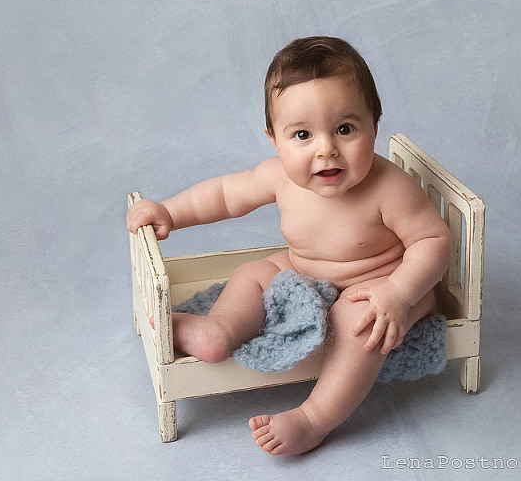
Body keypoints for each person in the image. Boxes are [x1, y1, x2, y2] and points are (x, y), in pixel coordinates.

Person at [126, 36, 451, 455]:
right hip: (307, 271)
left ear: (375, 123)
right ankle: (219, 329)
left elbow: (433, 239)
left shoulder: (390, 188)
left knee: (361, 324)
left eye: (346, 129)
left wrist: (400, 292)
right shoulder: (278, 175)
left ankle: (314, 417)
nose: (326, 149)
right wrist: (169, 212)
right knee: (256, 273)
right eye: (302, 134)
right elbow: (225, 195)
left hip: (380, 283)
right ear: (274, 138)